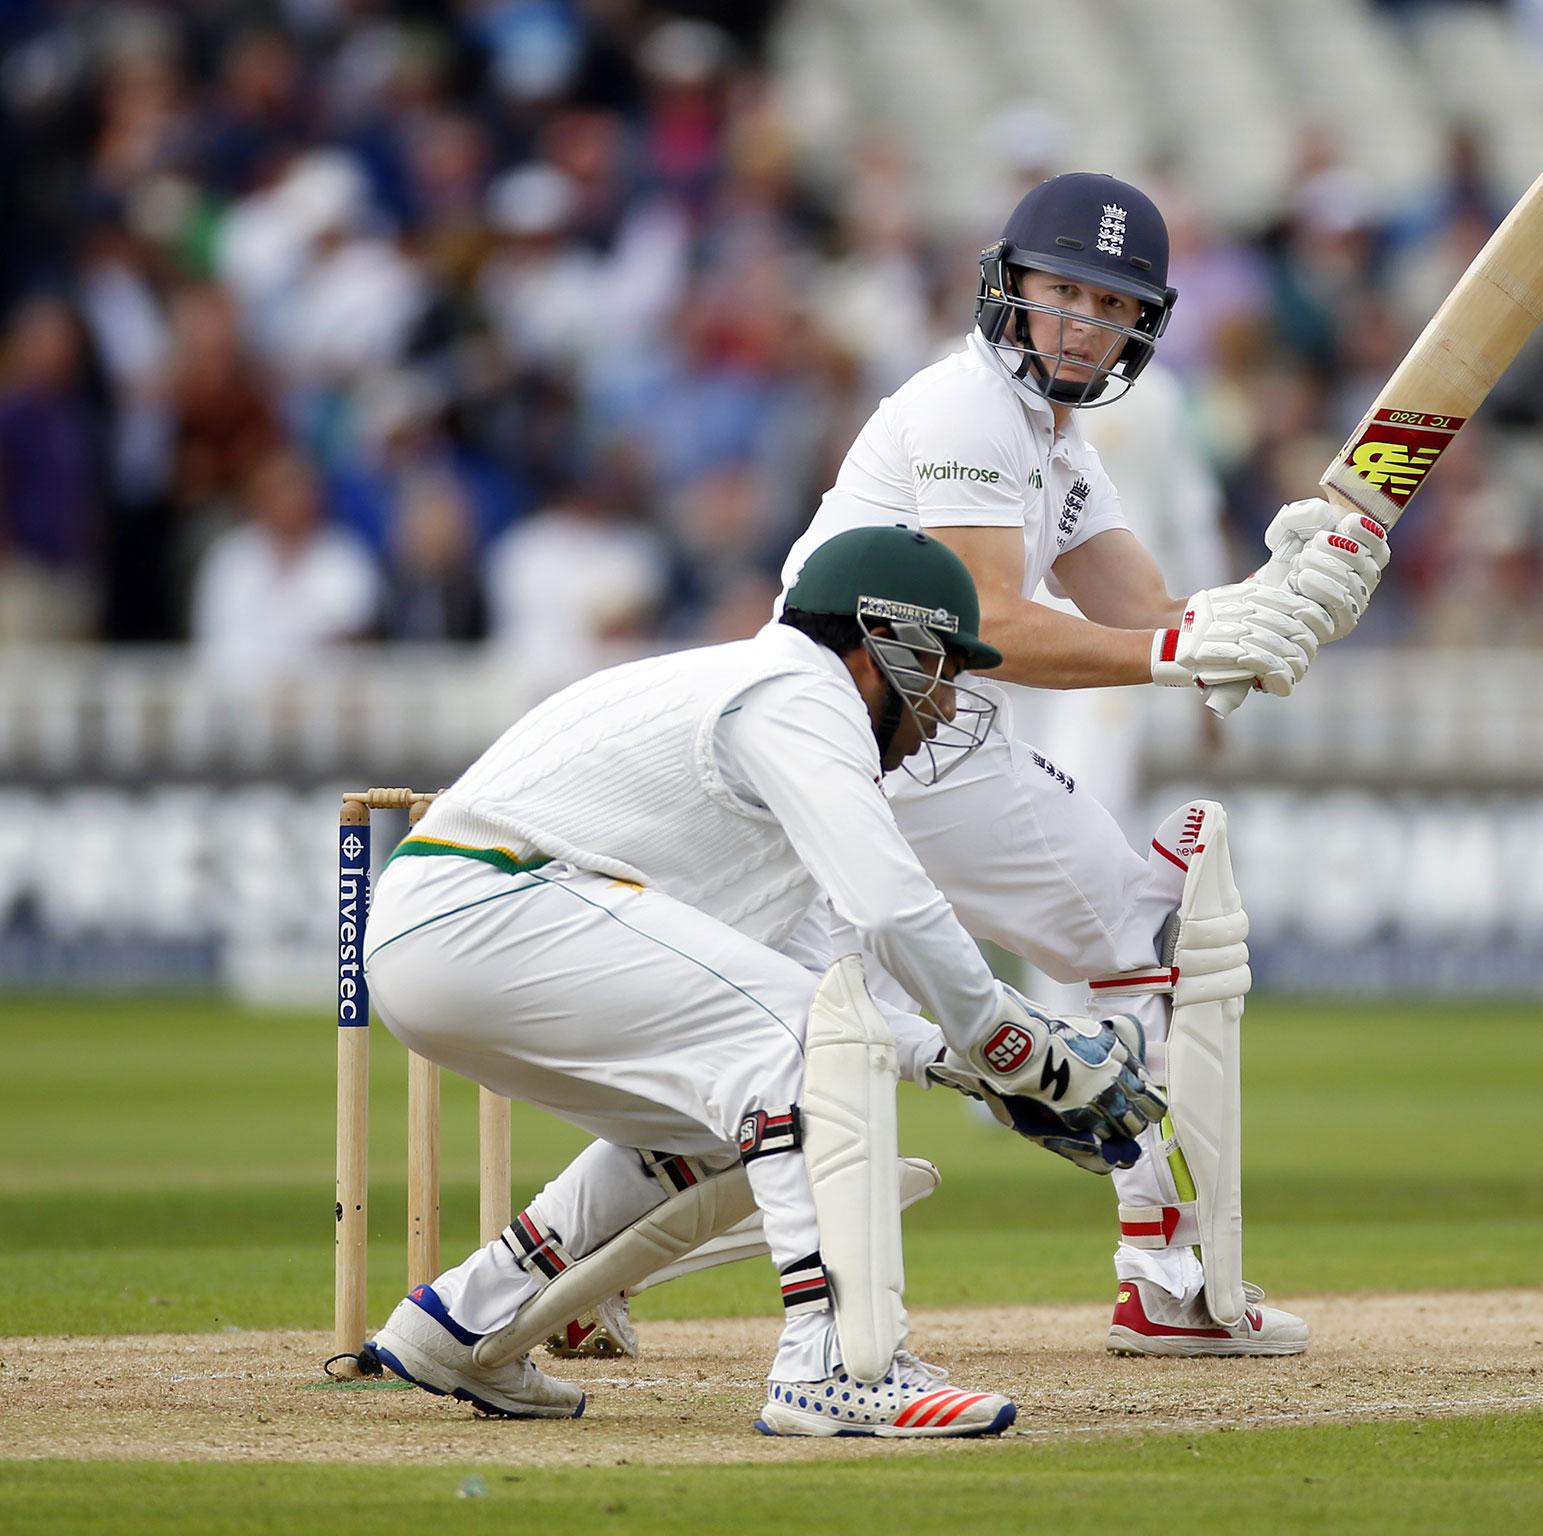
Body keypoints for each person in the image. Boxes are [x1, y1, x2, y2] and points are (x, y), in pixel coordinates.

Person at [590, 173, 1387, 1358]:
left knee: (788, 1037)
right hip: (887, 741)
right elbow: (1001, 626)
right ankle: (1164, 1279)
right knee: (1152, 941)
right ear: (1006, 286)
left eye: (1108, 306)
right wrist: (1192, 646)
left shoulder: (1055, 444)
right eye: (1060, 292)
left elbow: (1147, 613)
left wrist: (1292, 590)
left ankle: (554, 1276)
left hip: (871, 748)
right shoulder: (965, 411)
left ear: (1141, 327)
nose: (1078, 324)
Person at [357, 526, 1166, 1435]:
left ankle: (468, 1317)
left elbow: (837, 975)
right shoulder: (793, 696)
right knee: (804, 1053)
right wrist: (1022, 1053)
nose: (945, 704)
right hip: (489, 904)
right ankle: (836, 1361)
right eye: (939, 669)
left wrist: (961, 1060)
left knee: (722, 1119)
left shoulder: (774, 726)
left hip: (458, 928)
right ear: (877, 648)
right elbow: (894, 910)